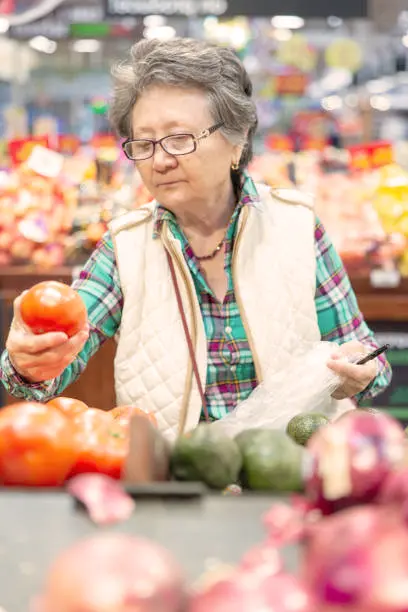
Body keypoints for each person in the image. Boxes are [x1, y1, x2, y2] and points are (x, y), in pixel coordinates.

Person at [1, 38, 391, 441]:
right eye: (144, 143)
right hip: (175, 485)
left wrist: (360, 370)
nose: (161, 160)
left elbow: (366, 355)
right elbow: (48, 366)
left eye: (179, 138)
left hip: (290, 475)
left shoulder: (297, 226)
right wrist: (28, 361)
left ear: (236, 140)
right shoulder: (124, 247)